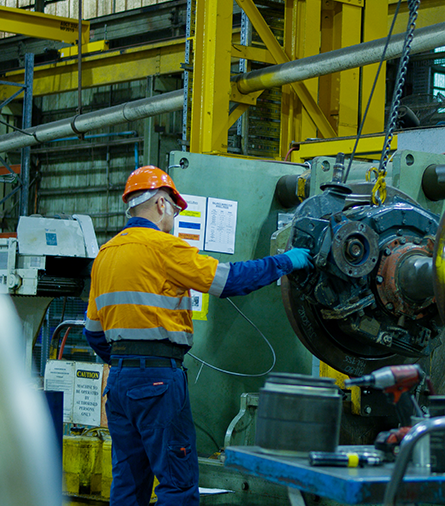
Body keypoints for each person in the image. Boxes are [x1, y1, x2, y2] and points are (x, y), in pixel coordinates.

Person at [83, 165, 313, 506]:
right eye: (174, 212)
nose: (173, 220)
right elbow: (230, 280)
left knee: (128, 485)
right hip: (159, 381)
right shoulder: (164, 247)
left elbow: (94, 334)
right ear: (162, 204)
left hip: (119, 382)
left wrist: (127, 363)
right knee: (177, 484)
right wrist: (285, 262)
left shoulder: (105, 255)